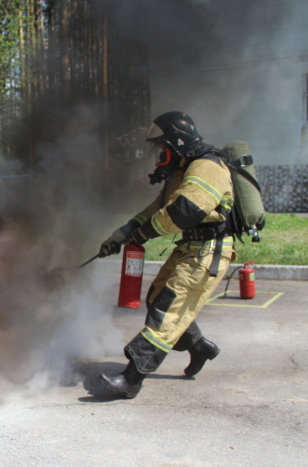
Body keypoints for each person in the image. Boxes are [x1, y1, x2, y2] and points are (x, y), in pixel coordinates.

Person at [97, 111, 236, 399]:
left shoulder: (207, 166)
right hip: (191, 248)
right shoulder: (184, 169)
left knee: (166, 311)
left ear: (177, 143)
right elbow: (158, 207)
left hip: (208, 253)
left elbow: (185, 211)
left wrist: (145, 234)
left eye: (162, 147)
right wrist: (123, 234)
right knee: (156, 296)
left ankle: (132, 379)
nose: (160, 154)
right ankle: (200, 348)